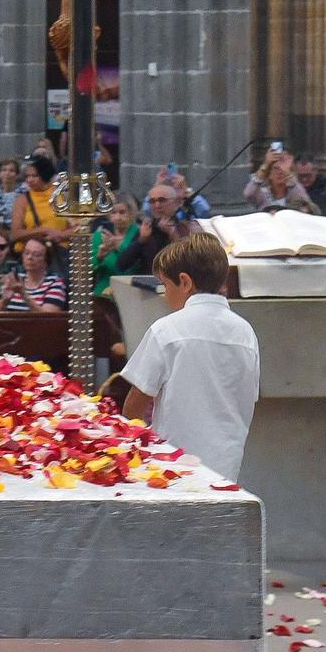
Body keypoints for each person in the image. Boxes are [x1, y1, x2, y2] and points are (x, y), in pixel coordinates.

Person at [121, 234, 260, 481]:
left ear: (185, 282)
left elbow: (136, 403)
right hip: (226, 464)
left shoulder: (166, 329)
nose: (165, 294)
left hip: (172, 464)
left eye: (165, 285)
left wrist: (131, 451)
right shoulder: (246, 332)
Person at [116, 183, 191, 276]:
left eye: (162, 200)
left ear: (176, 202)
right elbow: (121, 265)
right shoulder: (147, 228)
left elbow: (189, 263)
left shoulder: (186, 228)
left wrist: (173, 234)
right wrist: (141, 240)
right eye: (152, 201)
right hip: (148, 283)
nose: (157, 205)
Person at [10, 155, 66, 254]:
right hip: (31, 253)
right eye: (27, 176)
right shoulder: (22, 200)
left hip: (60, 253)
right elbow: (15, 233)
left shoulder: (63, 196)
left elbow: (77, 228)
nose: (29, 180)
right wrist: (44, 231)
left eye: (34, 176)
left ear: (45, 175)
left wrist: (60, 235)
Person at [0, 238, 66, 312]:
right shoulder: (15, 279)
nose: (29, 257)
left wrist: (23, 294)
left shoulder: (55, 283)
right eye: (26, 253)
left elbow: (48, 319)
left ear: (46, 261)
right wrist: (4, 301)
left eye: (36, 255)